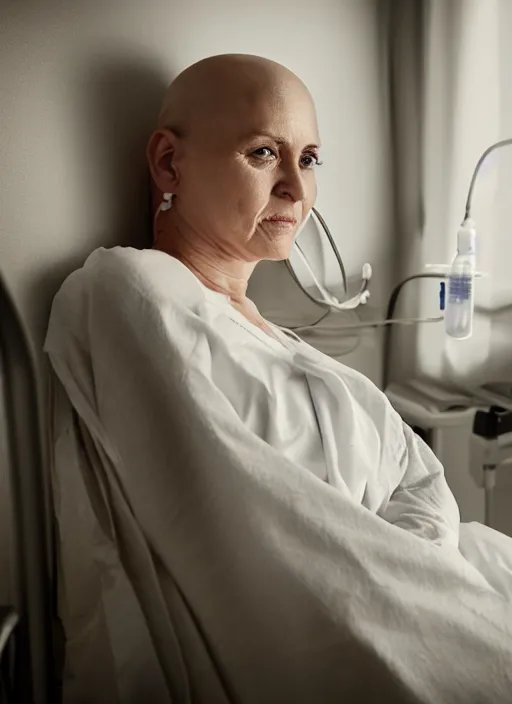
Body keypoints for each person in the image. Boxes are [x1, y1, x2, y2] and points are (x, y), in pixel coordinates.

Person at [45, 54, 512, 704]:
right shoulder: (128, 291)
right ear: (168, 163)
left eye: (310, 158)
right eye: (264, 152)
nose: (297, 187)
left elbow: (419, 474)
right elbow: (236, 515)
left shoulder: (283, 342)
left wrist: (427, 560)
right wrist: (417, 579)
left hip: (445, 577)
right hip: (365, 625)